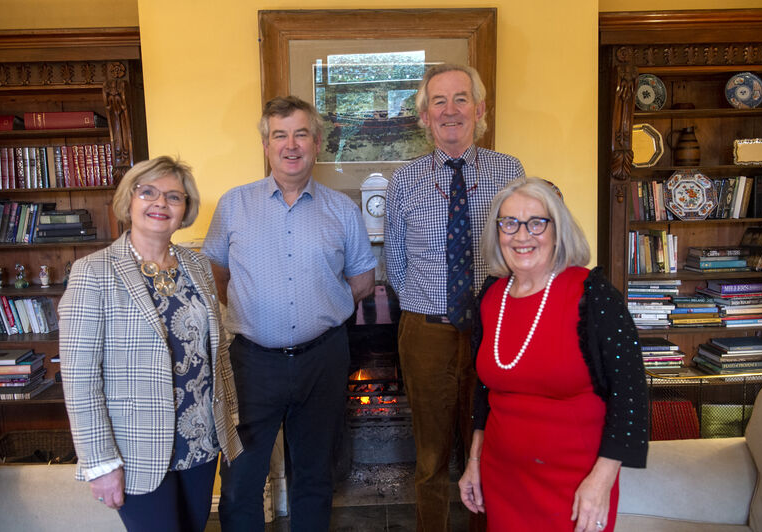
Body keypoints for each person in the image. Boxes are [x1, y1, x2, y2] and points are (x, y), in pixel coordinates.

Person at [203, 95, 377, 531]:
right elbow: (217, 275)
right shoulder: (234, 205)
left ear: (317, 143)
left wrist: (320, 314)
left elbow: (362, 283)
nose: (291, 144)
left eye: (301, 134)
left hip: (323, 359)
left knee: (315, 475)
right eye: (280, 135)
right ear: (266, 146)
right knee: (242, 477)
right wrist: (259, 314)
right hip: (251, 362)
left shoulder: (342, 209)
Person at [59, 156, 243, 532]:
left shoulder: (198, 266)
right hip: (135, 451)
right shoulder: (92, 272)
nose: (161, 203)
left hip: (200, 443)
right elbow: (79, 379)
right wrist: (100, 462)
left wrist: (229, 423)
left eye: (174, 197)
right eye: (148, 193)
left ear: (185, 210)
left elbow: (217, 353)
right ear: (130, 200)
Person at [458, 178, 649, 532]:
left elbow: (631, 397)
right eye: (509, 223)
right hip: (503, 479)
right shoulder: (491, 297)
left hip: (575, 483)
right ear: (497, 231)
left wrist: (602, 481)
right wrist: (474, 460)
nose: (521, 235)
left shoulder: (593, 295)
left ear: (557, 230)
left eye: (536, 223)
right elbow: (485, 391)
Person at [384, 63, 525, 531]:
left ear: (479, 109)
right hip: (426, 332)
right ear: (424, 117)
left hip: (496, 331)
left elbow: (523, 247)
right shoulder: (404, 180)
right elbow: (396, 263)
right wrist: (428, 309)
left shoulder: (510, 171)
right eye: (438, 102)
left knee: (487, 447)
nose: (450, 111)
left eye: (460, 99)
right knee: (430, 455)